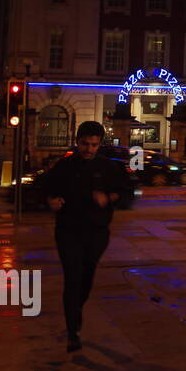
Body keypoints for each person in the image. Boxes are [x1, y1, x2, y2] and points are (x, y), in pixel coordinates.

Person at [43, 121, 132, 352]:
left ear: (99, 144)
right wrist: (52, 201)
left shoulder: (109, 168)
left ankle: (76, 309)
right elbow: (47, 188)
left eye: (94, 145)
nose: (89, 149)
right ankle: (73, 330)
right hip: (68, 231)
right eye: (85, 144)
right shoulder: (64, 166)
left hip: (96, 233)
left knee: (86, 278)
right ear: (77, 141)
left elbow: (127, 195)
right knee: (72, 278)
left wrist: (109, 198)